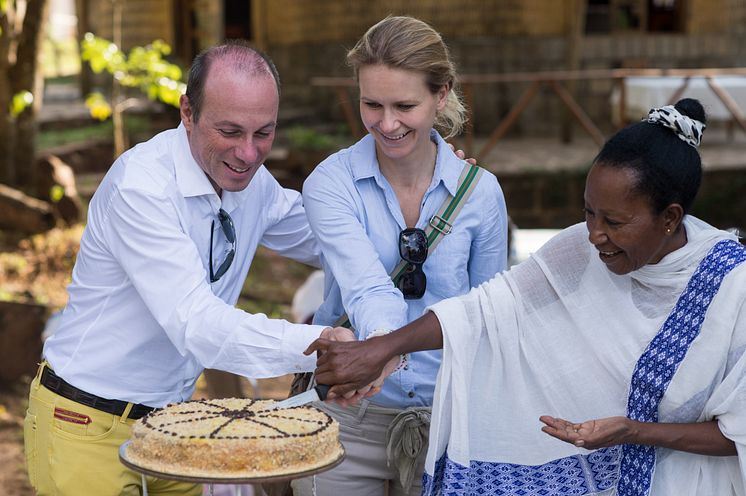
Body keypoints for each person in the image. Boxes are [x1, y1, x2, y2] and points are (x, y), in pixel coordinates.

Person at [309, 98, 746, 495]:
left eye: (614, 221)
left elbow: (735, 435)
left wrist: (633, 431)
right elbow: (486, 309)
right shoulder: (580, 250)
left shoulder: (732, 286)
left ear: (670, 218)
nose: (595, 235)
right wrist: (383, 348)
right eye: (588, 211)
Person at [22, 41, 353, 496]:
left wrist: (425, 193)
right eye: (231, 131)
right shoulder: (141, 187)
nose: (249, 153)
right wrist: (324, 346)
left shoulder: (251, 182)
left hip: (175, 425)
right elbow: (197, 324)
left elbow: (332, 241)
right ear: (188, 112)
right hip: (86, 423)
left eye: (264, 133)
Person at [294, 16, 508, 496]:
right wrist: (384, 351)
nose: (386, 124)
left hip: (447, 417)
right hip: (347, 410)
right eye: (372, 104)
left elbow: (487, 315)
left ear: (441, 95)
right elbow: (365, 284)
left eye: (404, 106)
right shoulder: (331, 183)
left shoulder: (481, 194)